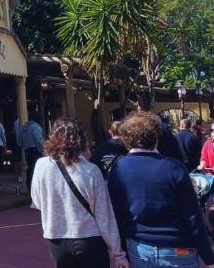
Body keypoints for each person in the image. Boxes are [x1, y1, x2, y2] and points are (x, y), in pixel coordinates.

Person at [108, 112, 214, 268]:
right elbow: (192, 216)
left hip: (139, 248)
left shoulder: (118, 169)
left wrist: (121, 252)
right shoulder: (174, 168)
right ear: (156, 137)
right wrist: (208, 256)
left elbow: (116, 213)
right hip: (177, 248)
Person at [31, 118, 127, 268]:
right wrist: (117, 252)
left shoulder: (41, 166)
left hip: (57, 239)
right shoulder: (91, 170)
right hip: (89, 238)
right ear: (81, 141)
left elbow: (37, 201)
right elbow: (104, 214)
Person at [19, 111, 45, 196]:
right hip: (35, 151)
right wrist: (43, 150)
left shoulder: (24, 128)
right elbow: (39, 140)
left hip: (27, 151)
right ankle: (37, 191)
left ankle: (30, 189)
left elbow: (19, 141)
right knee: (37, 171)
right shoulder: (36, 127)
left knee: (30, 170)